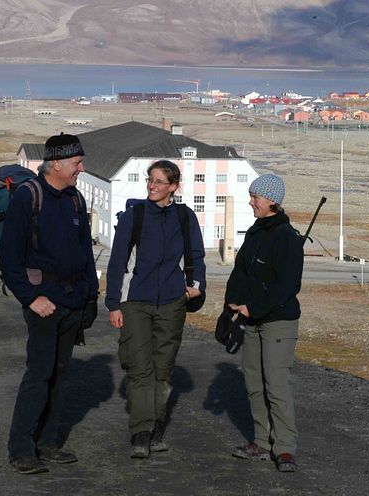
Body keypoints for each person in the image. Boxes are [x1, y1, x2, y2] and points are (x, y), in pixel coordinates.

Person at [0, 133, 99, 475]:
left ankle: (48, 443)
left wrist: (91, 297)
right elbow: (9, 260)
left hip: (73, 303)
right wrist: (32, 298)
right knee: (39, 374)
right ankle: (21, 448)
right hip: (44, 305)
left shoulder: (75, 200)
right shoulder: (29, 198)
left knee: (60, 375)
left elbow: (85, 252)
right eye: (76, 164)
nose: (81, 170)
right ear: (55, 164)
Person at [105, 159, 206, 459]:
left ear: (174, 186)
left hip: (173, 304)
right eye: (150, 180)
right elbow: (117, 261)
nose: (152, 186)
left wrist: (195, 285)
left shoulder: (185, 217)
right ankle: (141, 432)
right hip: (135, 302)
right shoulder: (134, 216)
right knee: (139, 368)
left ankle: (155, 427)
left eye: (159, 182)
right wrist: (113, 304)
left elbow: (196, 255)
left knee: (162, 371)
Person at [225, 173, 304, 473]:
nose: (250, 202)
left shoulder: (287, 238)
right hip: (251, 318)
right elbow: (241, 272)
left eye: (255, 197)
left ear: (272, 200)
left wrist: (252, 307)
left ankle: (284, 448)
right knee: (254, 381)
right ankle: (261, 441)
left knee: (276, 383)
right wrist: (229, 307)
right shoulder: (256, 232)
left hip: (278, 322)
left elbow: (287, 287)